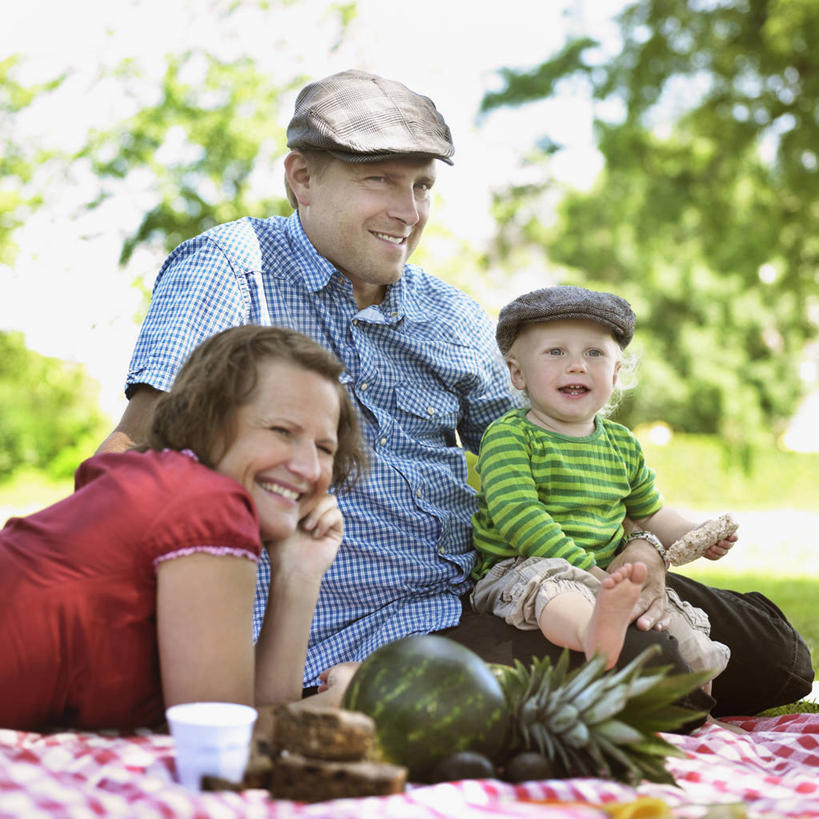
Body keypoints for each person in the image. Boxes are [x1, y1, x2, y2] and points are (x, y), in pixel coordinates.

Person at [97, 69, 812, 720]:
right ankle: (377, 699)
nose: (406, 210)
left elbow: (550, 453)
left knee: (779, 654)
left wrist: (640, 549)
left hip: (494, 588)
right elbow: (132, 449)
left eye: (422, 186)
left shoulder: (450, 315)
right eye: (380, 180)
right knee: (645, 663)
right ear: (302, 178)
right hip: (350, 628)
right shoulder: (232, 268)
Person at [0, 325, 364, 730]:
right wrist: (340, 705)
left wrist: (299, 576)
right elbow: (218, 744)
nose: (309, 468)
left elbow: (236, 715)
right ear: (206, 420)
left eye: (325, 448)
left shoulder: (160, 483)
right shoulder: (209, 505)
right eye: (281, 431)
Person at [470, 285, 735, 687]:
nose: (577, 366)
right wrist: (591, 573)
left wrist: (694, 535)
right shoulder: (510, 437)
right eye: (556, 352)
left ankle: (700, 708)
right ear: (517, 373)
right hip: (524, 566)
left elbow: (649, 511)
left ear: (614, 373)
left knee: (678, 627)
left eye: (594, 353)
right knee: (557, 592)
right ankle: (592, 633)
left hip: (610, 575)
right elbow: (521, 519)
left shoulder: (621, 444)